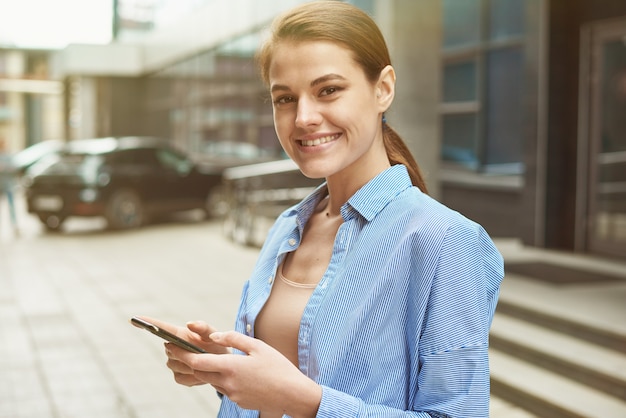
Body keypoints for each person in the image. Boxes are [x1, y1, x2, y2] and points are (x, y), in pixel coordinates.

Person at [139, 2, 504, 416]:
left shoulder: (447, 243)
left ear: (383, 89)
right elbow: (275, 388)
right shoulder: (285, 227)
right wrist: (225, 371)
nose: (303, 118)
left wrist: (307, 402)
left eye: (328, 90)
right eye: (285, 98)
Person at [0, 138, 19, 237]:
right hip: (1, 185)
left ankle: (14, 225)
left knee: (11, 207)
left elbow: (14, 168)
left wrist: (4, 168)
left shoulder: (9, 156)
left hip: (8, 186)